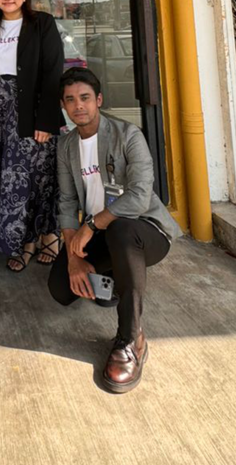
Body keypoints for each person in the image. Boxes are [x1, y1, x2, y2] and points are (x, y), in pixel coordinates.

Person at [48, 67, 182, 393]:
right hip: (101, 234)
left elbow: (138, 195)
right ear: (64, 107)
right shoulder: (66, 146)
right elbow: (66, 203)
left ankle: (130, 339)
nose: (78, 106)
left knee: (121, 231)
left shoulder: (127, 134)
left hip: (145, 232)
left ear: (99, 100)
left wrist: (91, 225)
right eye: (70, 100)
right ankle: (119, 283)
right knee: (61, 289)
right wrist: (73, 258)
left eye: (84, 98)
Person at [0, 0, 64, 270]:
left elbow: (53, 72)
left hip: (33, 112)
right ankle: (24, 242)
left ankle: (49, 236)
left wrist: (46, 120)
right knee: (12, 182)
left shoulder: (42, 24)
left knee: (40, 178)